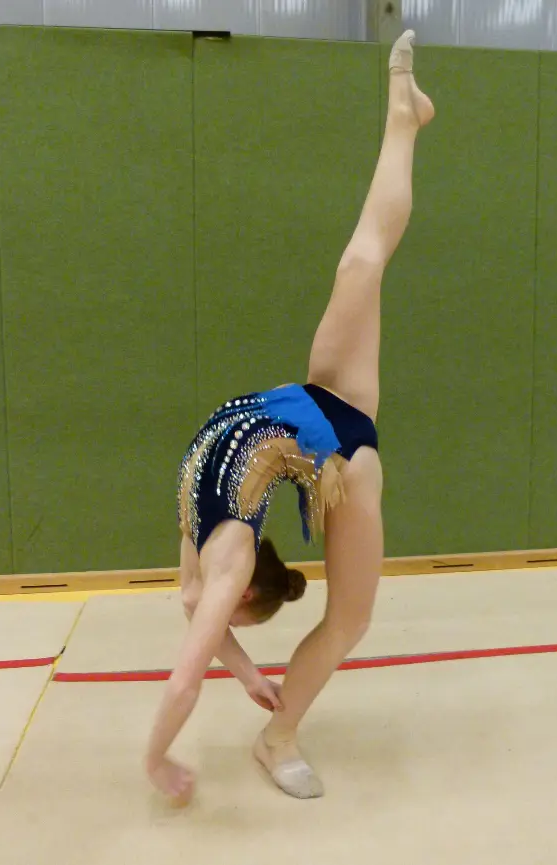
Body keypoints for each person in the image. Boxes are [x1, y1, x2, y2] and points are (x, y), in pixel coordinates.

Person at [145, 29, 434, 802]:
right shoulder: (195, 533)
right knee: (362, 261)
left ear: (240, 594)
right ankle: (401, 115)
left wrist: (156, 759)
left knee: (347, 622)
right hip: (318, 404)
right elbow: (191, 606)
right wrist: (245, 671)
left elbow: (183, 676)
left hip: (341, 440)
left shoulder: (230, 561)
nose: (215, 615)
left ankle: (276, 737)